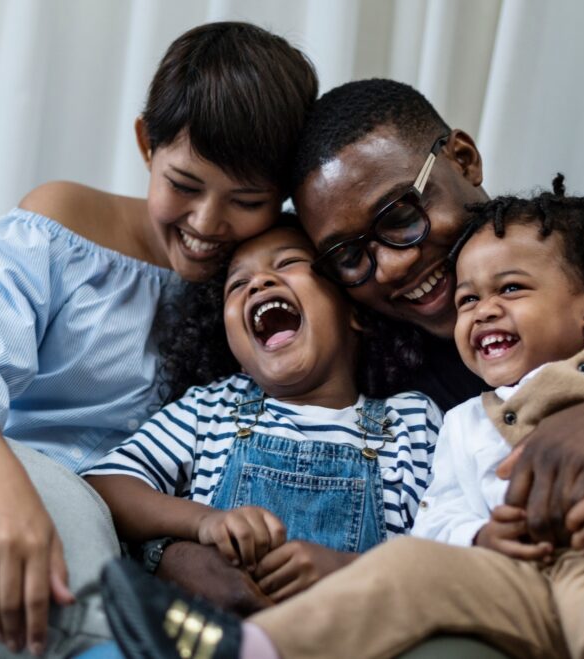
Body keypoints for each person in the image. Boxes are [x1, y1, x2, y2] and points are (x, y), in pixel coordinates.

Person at [154, 78, 584, 654]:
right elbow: (425, 524)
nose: (390, 265)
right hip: (519, 585)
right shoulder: (384, 368)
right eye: (349, 255)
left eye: (399, 214)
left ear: (464, 159)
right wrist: (179, 550)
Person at [0, 21, 317, 659]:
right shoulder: (61, 226)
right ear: (145, 145)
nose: (207, 224)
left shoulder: (270, 295)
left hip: (89, 530)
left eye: (247, 200)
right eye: (184, 185)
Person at [96, 179, 584, 659]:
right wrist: (481, 540)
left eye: (511, 289)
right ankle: (252, 649)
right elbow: (435, 521)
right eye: (467, 300)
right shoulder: (467, 420)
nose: (482, 310)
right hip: (528, 585)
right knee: (411, 566)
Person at [78, 220, 440, 659]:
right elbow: (106, 484)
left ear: (354, 311)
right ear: (235, 348)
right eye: (237, 284)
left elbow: (442, 561)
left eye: (287, 263)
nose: (261, 282)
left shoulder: (410, 422)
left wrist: (346, 570)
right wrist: (201, 521)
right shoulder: (212, 408)